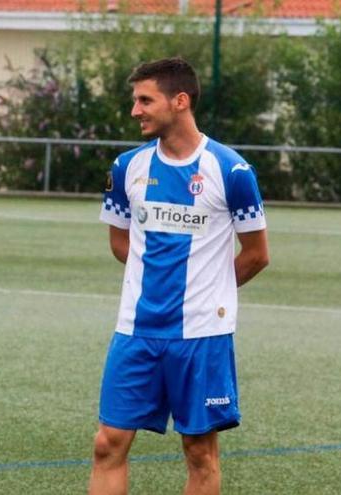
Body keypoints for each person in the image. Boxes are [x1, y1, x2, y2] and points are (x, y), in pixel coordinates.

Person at [89, 57, 270, 495]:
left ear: (180, 101)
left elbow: (257, 254)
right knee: (108, 443)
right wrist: (155, 280)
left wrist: (205, 291)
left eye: (145, 100)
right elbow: (120, 242)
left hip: (202, 335)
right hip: (135, 330)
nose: (136, 110)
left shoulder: (232, 171)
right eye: (136, 100)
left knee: (199, 452)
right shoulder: (126, 168)